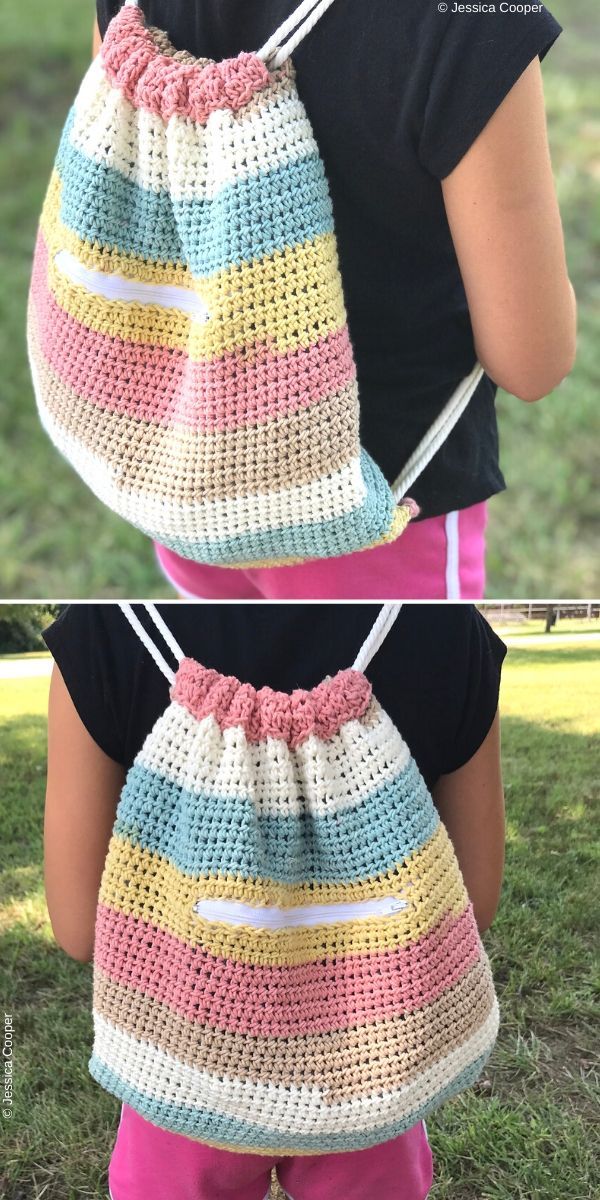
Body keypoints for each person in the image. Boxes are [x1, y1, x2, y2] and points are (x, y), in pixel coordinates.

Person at [90, 1, 575, 602]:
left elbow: (127, 165)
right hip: (378, 515)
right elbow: (532, 361)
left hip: (190, 468)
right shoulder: (472, 19)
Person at [43, 602, 506, 1200]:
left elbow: (82, 930)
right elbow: (475, 904)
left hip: (185, 1064)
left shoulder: (108, 625)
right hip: (370, 1066)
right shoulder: (444, 624)